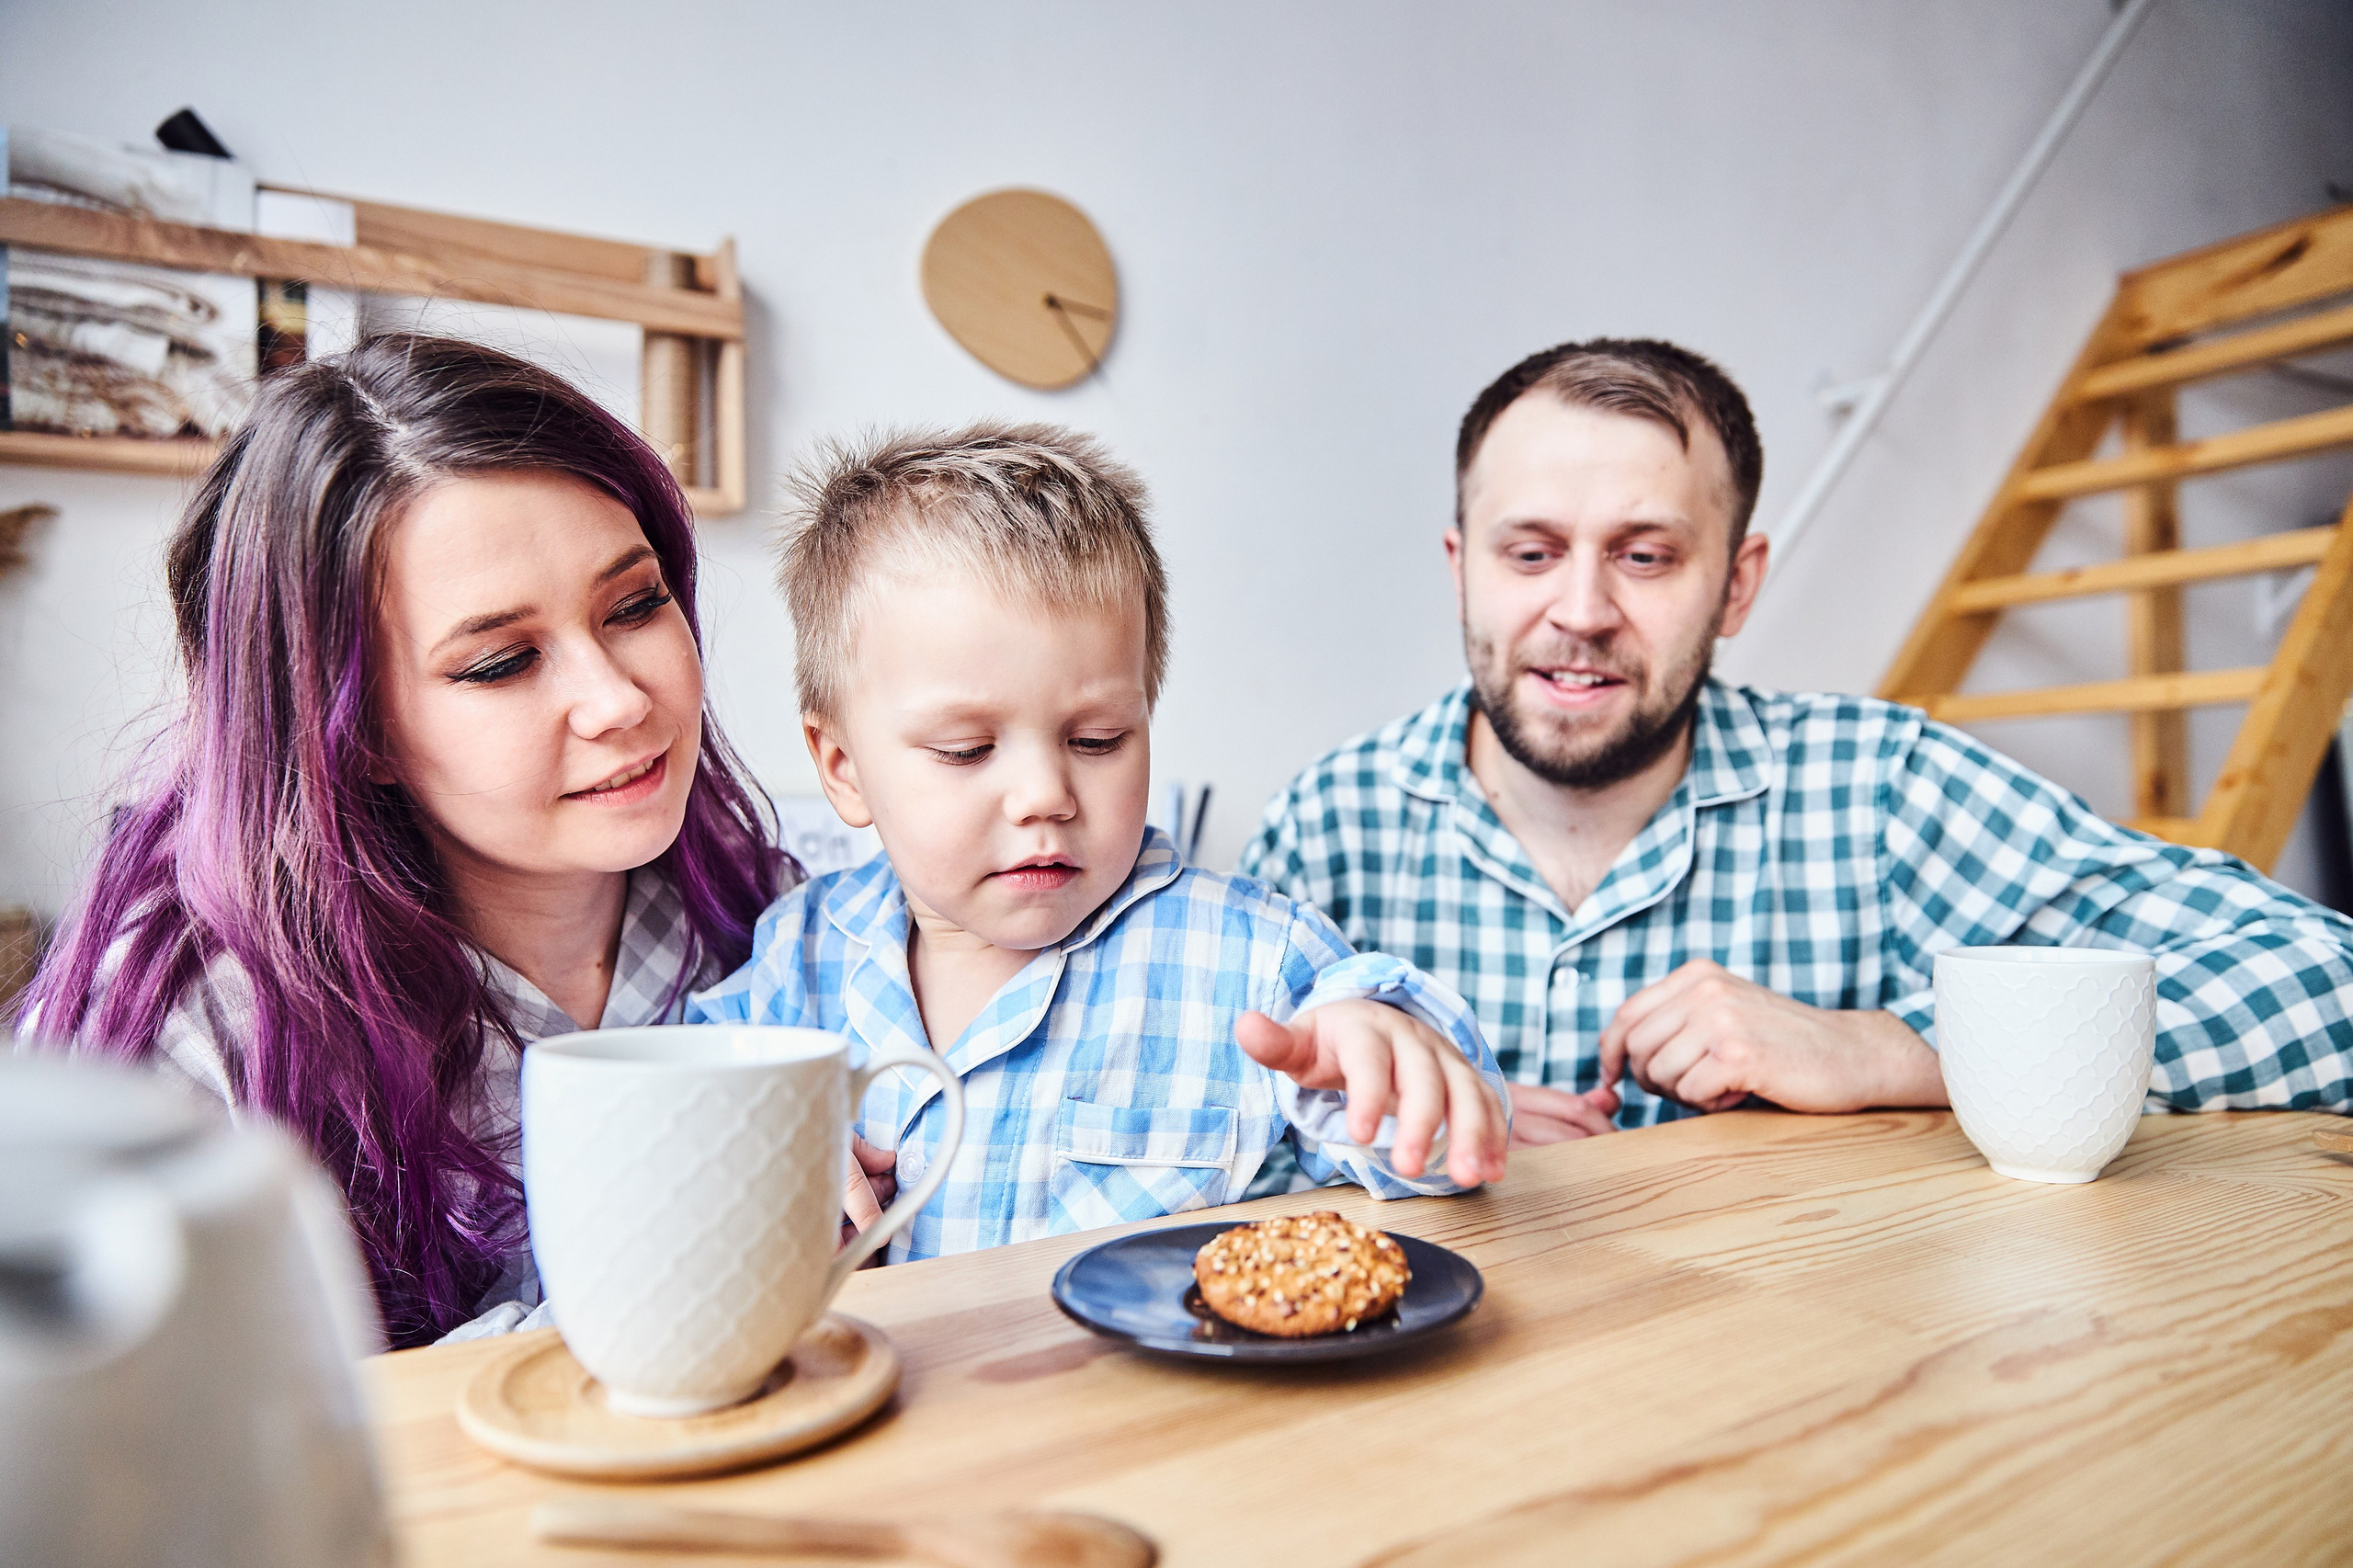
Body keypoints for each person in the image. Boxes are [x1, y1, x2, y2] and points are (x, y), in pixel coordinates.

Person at [1242, 336, 2353, 1146]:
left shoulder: (1880, 789)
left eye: (1644, 556)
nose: (1579, 610)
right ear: (1461, 570)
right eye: (1529, 553)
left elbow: (2325, 982)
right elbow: (1197, 1130)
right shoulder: (1331, 826)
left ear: (1736, 584)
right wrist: (1380, 1134)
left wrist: (1886, 1050)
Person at [16, 335, 795, 1346]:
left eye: (636, 604)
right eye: (502, 662)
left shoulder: (774, 918)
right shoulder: (194, 1035)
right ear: (353, 727)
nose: (618, 700)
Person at [689, 424, 1509, 1260]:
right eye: (966, 750)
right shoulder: (796, 962)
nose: (1045, 794)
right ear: (843, 768)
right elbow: (678, 1126)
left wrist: (1394, 1066)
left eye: (1098, 740)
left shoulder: (1255, 966)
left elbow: (1438, 1167)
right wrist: (757, 1154)